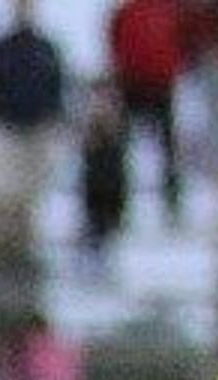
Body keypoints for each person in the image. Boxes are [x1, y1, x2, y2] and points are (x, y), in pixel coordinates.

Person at [0, 0, 74, 238]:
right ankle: (0, 253)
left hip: (36, 134)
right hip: (5, 132)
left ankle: (24, 254)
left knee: (29, 202)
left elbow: (56, 92)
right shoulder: (0, 49)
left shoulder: (46, 49)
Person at [111, 0, 193, 223]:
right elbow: (114, 41)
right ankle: (119, 204)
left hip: (157, 85)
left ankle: (172, 203)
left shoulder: (168, 11)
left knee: (166, 151)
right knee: (125, 150)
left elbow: (185, 42)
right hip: (136, 85)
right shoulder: (131, 12)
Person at [76, 77, 136, 277]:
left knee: (106, 224)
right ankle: (92, 258)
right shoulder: (90, 123)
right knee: (95, 224)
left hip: (111, 186)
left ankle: (100, 259)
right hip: (95, 187)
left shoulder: (120, 126)